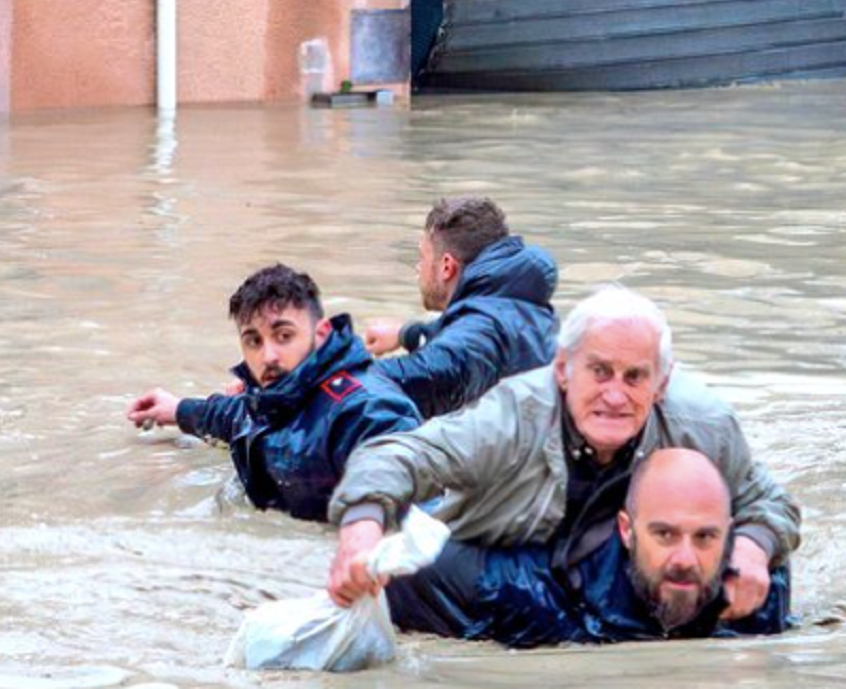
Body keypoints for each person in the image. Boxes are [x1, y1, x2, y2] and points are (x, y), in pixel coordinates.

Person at [327, 286, 799, 622]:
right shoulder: (511, 418)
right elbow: (397, 456)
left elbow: (769, 502)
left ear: (662, 383)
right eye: (599, 371)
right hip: (503, 557)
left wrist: (754, 548)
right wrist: (360, 531)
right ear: (562, 369)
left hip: (613, 563)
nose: (615, 396)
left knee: (765, 580)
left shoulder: (704, 426)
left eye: (634, 377)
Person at [385, 448, 792, 647]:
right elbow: (403, 561)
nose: (686, 559)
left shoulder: (756, 593)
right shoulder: (529, 589)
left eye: (705, 537)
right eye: (665, 535)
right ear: (627, 530)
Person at [125, 264, 420, 523]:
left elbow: (411, 495)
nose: (268, 356)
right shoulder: (270, 398)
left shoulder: (365, 410)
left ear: (321, 334)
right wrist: (177, 410)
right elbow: (234, 417)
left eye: (283, 336)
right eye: (253, 341)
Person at [363, 196, 558, 419]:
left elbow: (435, 369)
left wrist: (334, 378)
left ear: (446, 266)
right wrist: (405, 334)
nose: (418, 268)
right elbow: (458, 334)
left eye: (422, 257)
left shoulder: (482, 330)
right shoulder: (517, 304)